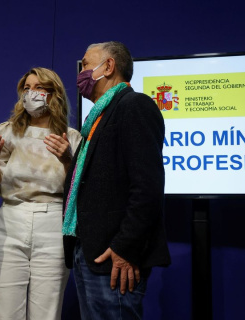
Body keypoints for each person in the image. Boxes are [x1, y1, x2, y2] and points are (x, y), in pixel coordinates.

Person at [62, 41, 171, 319]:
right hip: (90, 253)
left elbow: (147, 187)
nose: (81, 71)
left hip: (115, 259)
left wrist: (124, 247)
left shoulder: (134, 106)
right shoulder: (97, 118)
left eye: (86, 64)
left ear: (108, 67)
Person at [0, 67, 81, 320]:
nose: (31, 94)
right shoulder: (7, 132)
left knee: (46, 313)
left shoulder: (70, 138)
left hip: (53, 222)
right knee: (4, 312)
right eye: (26, 88)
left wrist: (68, 160)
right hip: (10, 221)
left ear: (53, 94)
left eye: (38, 88)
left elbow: (79, 191)